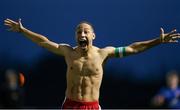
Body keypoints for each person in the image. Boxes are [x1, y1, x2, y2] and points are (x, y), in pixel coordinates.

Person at [4, 18, 180, 109]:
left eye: (86, 31)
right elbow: (43, 42)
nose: (82, 33)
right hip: (70, 105)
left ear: (93, 36)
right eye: (79, 31)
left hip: (92, 107)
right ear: (75, 36)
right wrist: (22, 30)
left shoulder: (104, 53)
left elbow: (133, 49)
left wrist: (157, 41)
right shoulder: (68, 51)